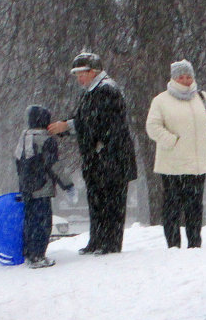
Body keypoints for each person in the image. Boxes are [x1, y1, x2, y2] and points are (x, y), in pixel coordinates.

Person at [48, 52, 138, 255]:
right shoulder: (90, 92)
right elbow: (85, 119)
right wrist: (67, 126)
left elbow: (97, 121)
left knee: (111, 202)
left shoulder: (107, 89)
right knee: (97, 200)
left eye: (83, 73)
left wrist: (68, 126)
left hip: (112, 157)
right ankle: (97, 240)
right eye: (77, 74)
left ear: (94, 71)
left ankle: (110, 243)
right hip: (97, 158)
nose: (79, 78)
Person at [145, 59, 206, 248]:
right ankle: (173, 244)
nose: (186, 80)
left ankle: (194, 243)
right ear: (173, 78)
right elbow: (152, 126)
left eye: (188, 76)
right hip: (172, 164)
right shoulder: (161, 100)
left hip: (197, 164)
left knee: (195, 206)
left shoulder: (203, 97)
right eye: (181, 77)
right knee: (172, 206)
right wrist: (171, 141)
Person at [16, 105, 76, 268]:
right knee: (43, 224)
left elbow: (19, 164)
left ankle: (29, 253)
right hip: (41, 189)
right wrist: (68, 185)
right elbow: (54, 166)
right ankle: (38, 256)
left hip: (27, 189)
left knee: (30, 222)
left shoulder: (24, 138)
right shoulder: (46, 140)